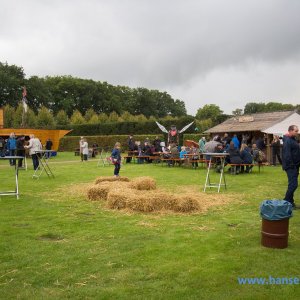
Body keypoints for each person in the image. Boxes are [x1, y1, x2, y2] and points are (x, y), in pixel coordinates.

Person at [282, 125, 300, 208]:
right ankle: (285, 201)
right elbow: (287, 154)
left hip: (295, 165)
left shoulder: (293, 139)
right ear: (290, 131)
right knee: (293, 184)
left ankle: (290, 203)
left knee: (292, 184)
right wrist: (292, 165)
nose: (297, 132)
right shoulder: (287, 140)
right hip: (290, 166)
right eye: (296, 131)